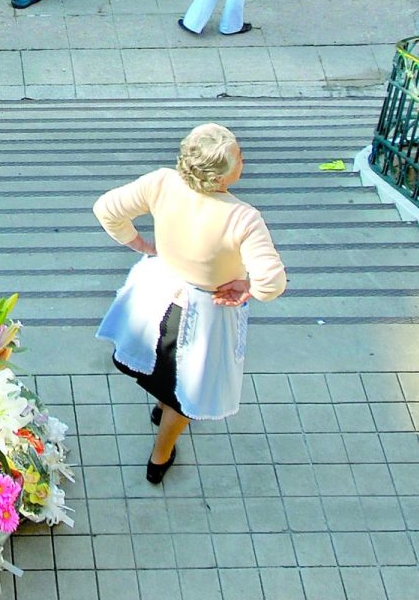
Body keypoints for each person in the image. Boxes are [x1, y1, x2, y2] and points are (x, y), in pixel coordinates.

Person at [93, 124, 287, 486]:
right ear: (219, 178)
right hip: (204, 317)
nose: (244, 159)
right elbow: (273, 281)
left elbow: (106, 208)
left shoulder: (161, 183)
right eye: (239, 157)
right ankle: (159, 456)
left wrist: (138, 244)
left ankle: (162, 406)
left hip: (154, 301)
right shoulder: (243, 217)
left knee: (157, 368)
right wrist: (248, 286)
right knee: (185, 393)